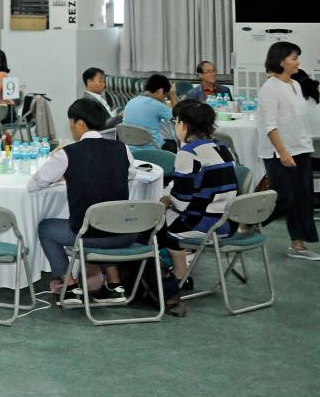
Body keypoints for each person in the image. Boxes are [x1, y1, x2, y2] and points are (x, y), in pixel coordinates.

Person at [31, 98, 140, 304]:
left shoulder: (68, 153)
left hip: (90, 235)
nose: (71, 127)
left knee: (46, 228)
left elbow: (34, 184)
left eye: (71, 122)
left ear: (80, 123)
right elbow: (131, 175)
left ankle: (69, 285)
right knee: (104, 219)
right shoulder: (121, 148)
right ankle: (115, 286)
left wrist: (62, 172)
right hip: (125, 233)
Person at [160, 99, 240, 305]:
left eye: (175, 121)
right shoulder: (222, 147)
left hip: (204, 226)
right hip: (228, 222)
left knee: (157, 224)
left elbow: (182, 201)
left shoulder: (188, 153)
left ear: (184, 125)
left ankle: (179, 274)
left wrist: (167, 200)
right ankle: (181, 271)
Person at [258, 42, 318, 260]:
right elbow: (270, 125)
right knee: (283, 197)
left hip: (301, 148)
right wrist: (284, 153)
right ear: (281, 60)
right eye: (294, 58)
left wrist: (302, 146)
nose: (298, 62)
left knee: (302, 198)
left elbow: (297, 120)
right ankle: (247, 221)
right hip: (279, 152)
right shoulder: (270, 88)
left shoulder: (295, 85)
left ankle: (298, 245)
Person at [122, 74, 175, 152]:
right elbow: (179, 116)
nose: (164, 99)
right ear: (160, 91)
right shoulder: (157, 105)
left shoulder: (131, 101)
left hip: (129, 149)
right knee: (173, 143)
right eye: (165, 95)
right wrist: (172, 95)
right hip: (151, 149)